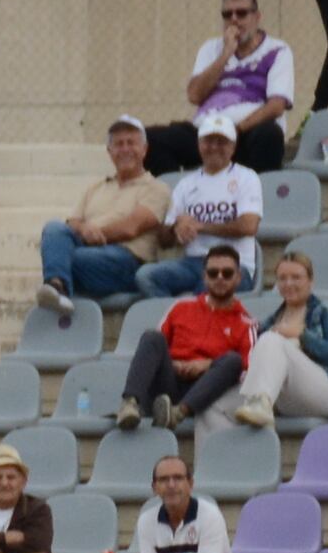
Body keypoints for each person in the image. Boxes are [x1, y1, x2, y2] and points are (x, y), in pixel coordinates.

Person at [153, 0, 298, 178]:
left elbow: (276, 106)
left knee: (270, 135)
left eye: (242, 13)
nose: (234, 19)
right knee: (152, 139)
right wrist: (226, 54)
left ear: (257, 16)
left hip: (246, 133)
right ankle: (181, 196)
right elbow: (194, 95)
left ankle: (257, 201)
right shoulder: (211, 48)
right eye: (227, 14)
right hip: (206, 131)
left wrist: (236, 129)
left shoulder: (278, 49)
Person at [37, 120, 172, 309]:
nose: (125, 149)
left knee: (67, 258)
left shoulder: (157, 188)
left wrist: (92, 234)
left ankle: (59, 286)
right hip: (90, 253)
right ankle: (57, 288)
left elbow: (131, 227)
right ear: (109, 152)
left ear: (144, 149)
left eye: (131, 143)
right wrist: (84, 229)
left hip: (127, 261)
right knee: (53, 228)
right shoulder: (95, 187)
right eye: (118, 144)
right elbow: (72, 223)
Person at [124, 244, 254, 431]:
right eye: (213, 273)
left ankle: (178, 414)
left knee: (233, 361)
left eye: (227, 273)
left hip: (208, 392)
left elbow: (247, 373)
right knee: (152, 337)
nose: (219, 278)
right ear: (204, 276)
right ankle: (129, 404)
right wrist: (176, 364)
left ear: (238, 278)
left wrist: (208, 365)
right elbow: (156, 351)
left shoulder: (246, 323)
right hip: (169, 384)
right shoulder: (181, 308)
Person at [230, 242, 328, 427]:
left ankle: (260, 402)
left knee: (270, 339)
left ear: (310, 281)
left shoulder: (326, 311)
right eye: (282, 278)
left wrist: (302, 336)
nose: (288, 283)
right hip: (289, 399)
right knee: (216, 407)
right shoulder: (271, 321)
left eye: (296, 277)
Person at [142, 119, 265, 298]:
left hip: (234, 263)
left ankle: (189, 320)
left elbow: (248, 226)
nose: (214, 147)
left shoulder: (247, 178)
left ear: (233, 146)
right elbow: (163, 240)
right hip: (193, 263)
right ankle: (176, 320)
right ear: (199, 145)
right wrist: (177, 227)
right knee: (146, 276)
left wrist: (200, 226)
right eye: (208, 141)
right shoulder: (186, 184)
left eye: (221, 142)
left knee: (208, 287)